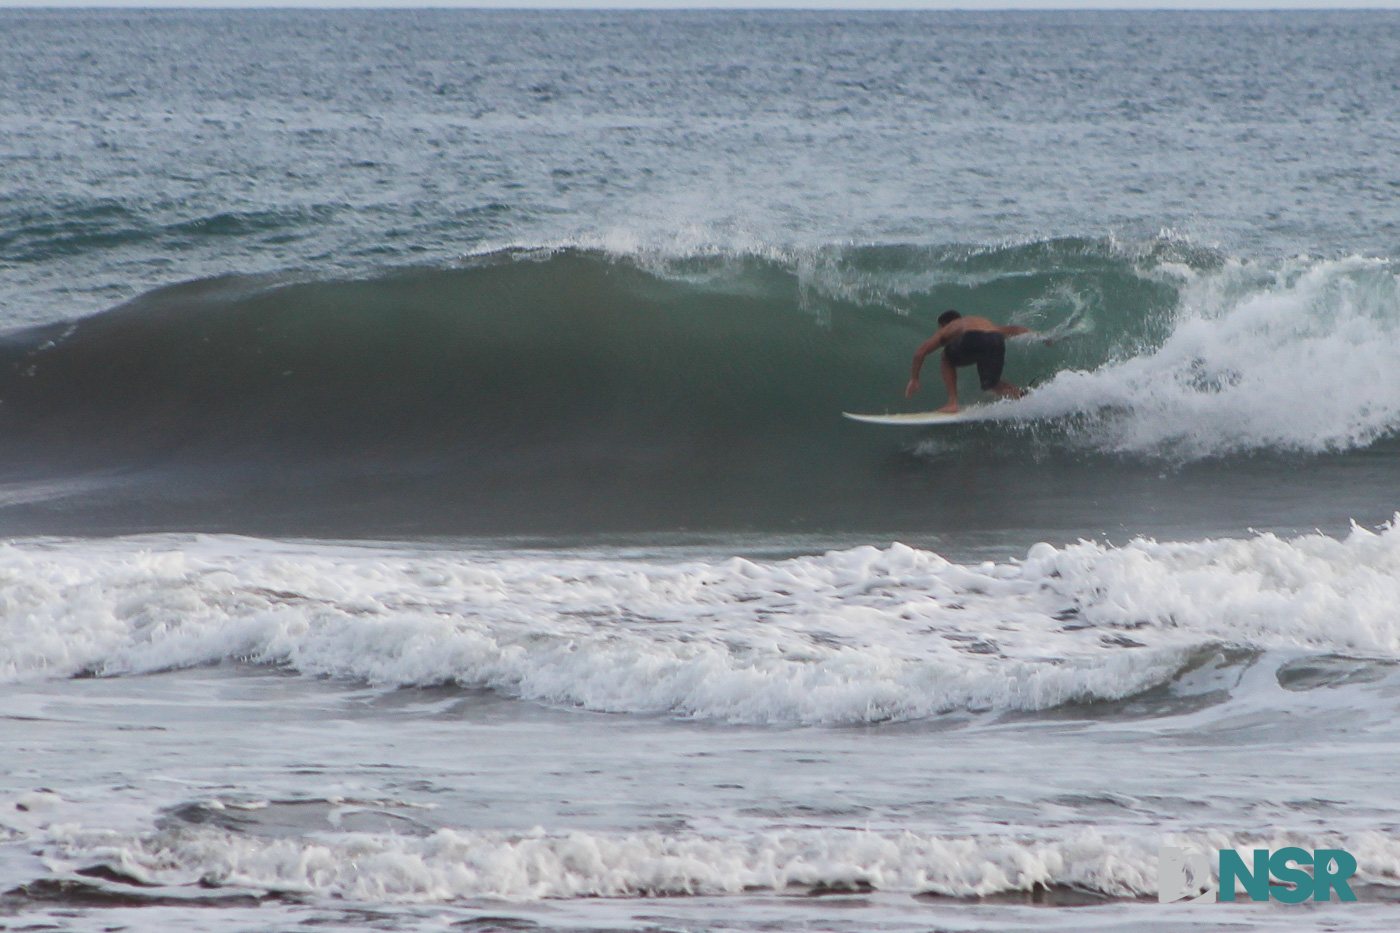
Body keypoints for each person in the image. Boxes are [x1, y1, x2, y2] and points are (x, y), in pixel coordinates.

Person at [905, 310, 1030, 414]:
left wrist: (914, 378)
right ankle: (1025, 397)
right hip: (996, 339)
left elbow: (920, 352)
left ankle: (952, 403)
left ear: (944, 324)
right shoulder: (980, 322)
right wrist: (1036, 335)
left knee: (946, 357)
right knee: (992, 384)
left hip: (974, 337)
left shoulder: (951, 326)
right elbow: (1013, 329)